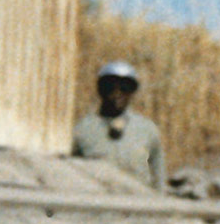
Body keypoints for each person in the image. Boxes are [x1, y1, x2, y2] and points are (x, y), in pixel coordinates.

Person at [70, 60, 168, 191]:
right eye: (110, 87)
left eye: (124, 89)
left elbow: (158, 175)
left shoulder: (147, 130)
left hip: (138, 200)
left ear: (132, 92)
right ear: (100, 90)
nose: (117, 94)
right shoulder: (83, 130)